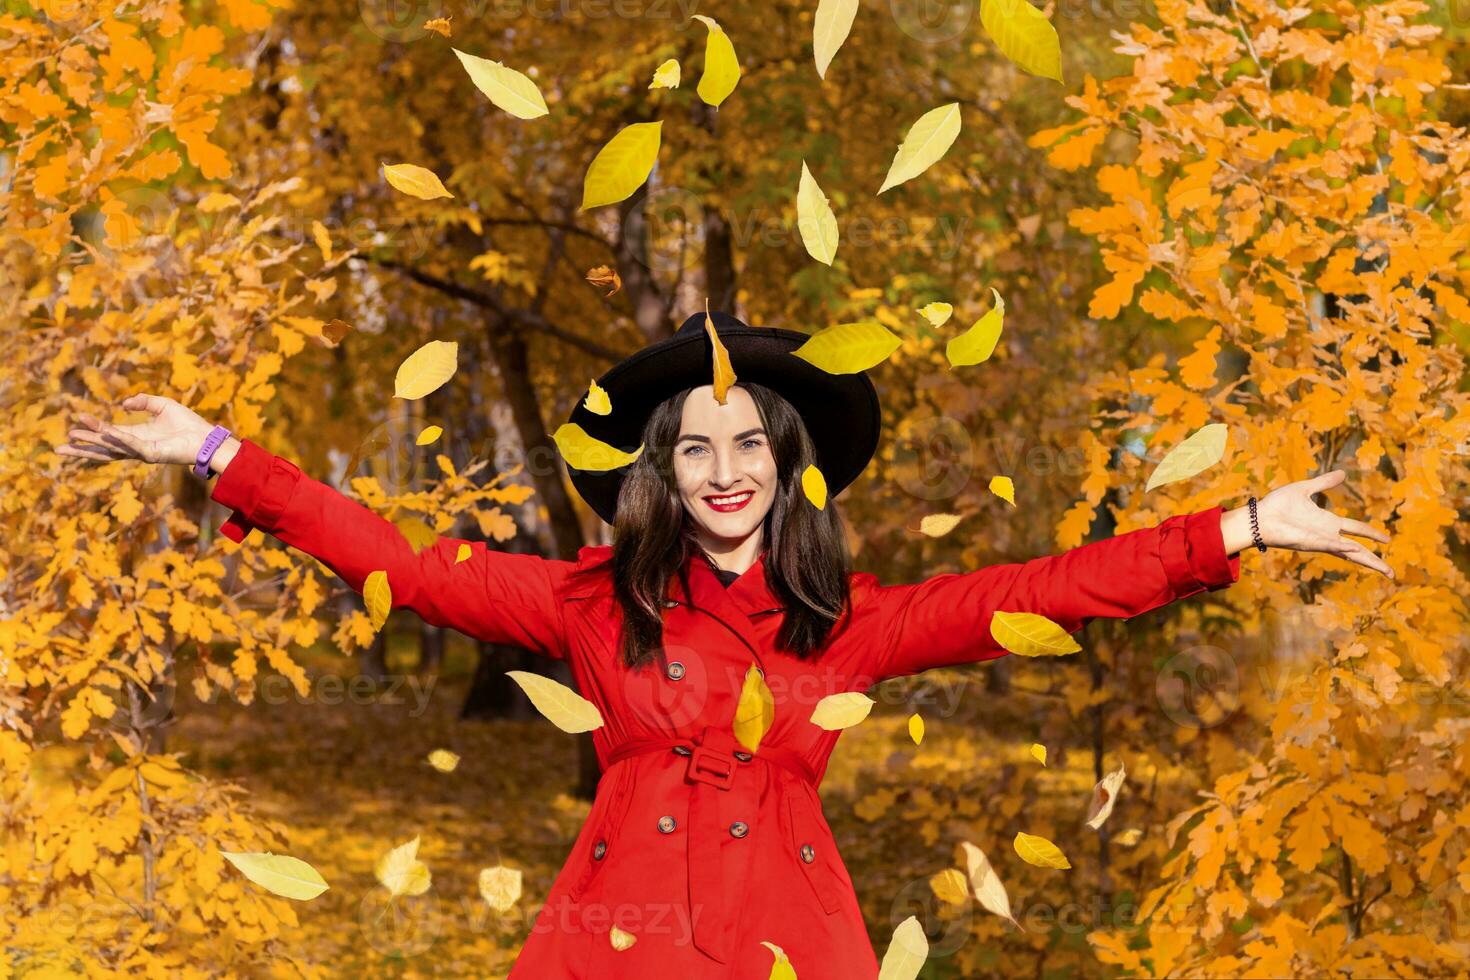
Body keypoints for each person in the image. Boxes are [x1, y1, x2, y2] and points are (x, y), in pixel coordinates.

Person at [57, 310, 1392, 977]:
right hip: (611, 937)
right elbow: (403, 564)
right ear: (661, 474)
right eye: (692, 449)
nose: (722, 469)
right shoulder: (590, 604)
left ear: (786, 464)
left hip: (788, 942)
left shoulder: (853, 623)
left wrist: (1237, 525)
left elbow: (1031, 588)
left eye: (748, 443)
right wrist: (221, 454)